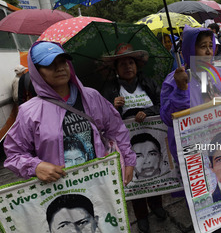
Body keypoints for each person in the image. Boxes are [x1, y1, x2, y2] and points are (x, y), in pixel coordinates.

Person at [4, 41, 135, 186]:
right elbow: (14, 154)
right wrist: (36, 166)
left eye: (62, 62)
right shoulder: (29, 112)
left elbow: (116, 129)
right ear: (37, 71)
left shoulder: (91, 97)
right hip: (60, 191)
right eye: (49, 64)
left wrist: (128, 161)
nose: (59, 68)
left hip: (101, 185)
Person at [160, 26, 221, 231]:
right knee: (206, 206)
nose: (209, 51)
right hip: (195, 154)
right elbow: (168, 118)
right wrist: (182, 90)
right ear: (190, 50)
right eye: (203, 47)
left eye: (211, 46)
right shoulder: (174, 80)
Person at [100, 43, 166, 233]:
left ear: (137, 65)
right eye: (122, 64)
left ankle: (157, 206)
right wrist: (114, 107)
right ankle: (141, 216)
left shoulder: (149, 83)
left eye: (131, 62)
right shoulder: (109, 89)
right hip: (126, 144)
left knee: (153, 173)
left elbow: (162, 104)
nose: (128, 67)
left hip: (152, 137)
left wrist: (147, 111)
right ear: (116, 69)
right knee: (134, 177)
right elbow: (102, 118)